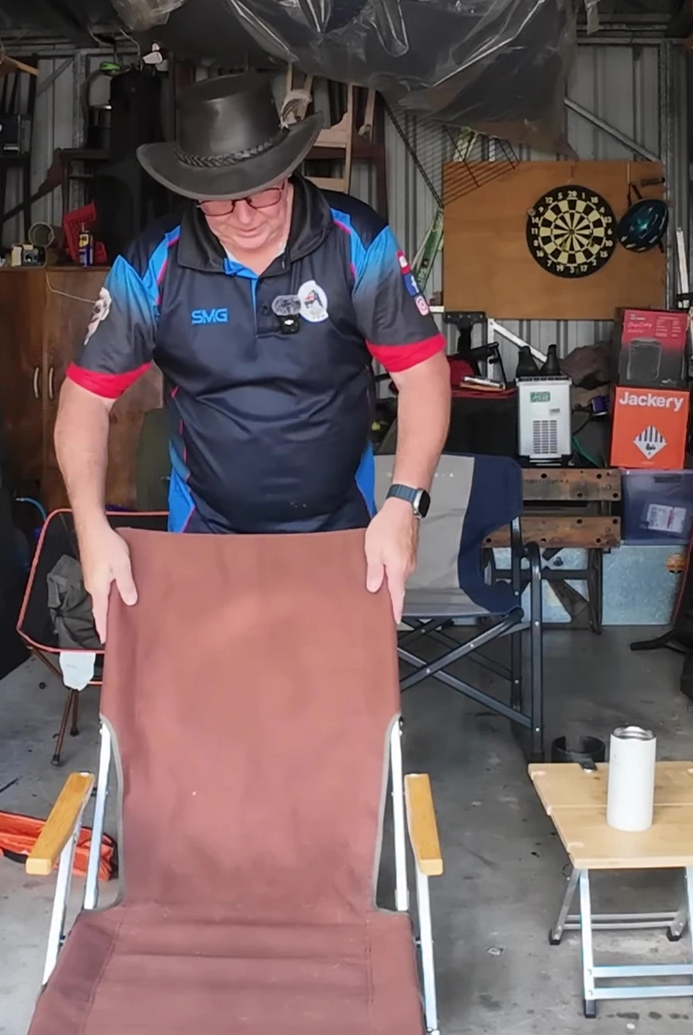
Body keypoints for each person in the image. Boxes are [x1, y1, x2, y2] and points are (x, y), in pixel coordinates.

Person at [55, 71, 450, 628]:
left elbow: (423, 374)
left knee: (330, 699)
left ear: (288, 171)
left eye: (263, 191)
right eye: (219, 203)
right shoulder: (153, 265)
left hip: (344, 530)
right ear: (192, 195)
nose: (244, 216)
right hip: (207, 530)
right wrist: (91, 529)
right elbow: (85, 398)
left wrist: (405, 504)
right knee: (213, 701)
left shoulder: (356, 242)